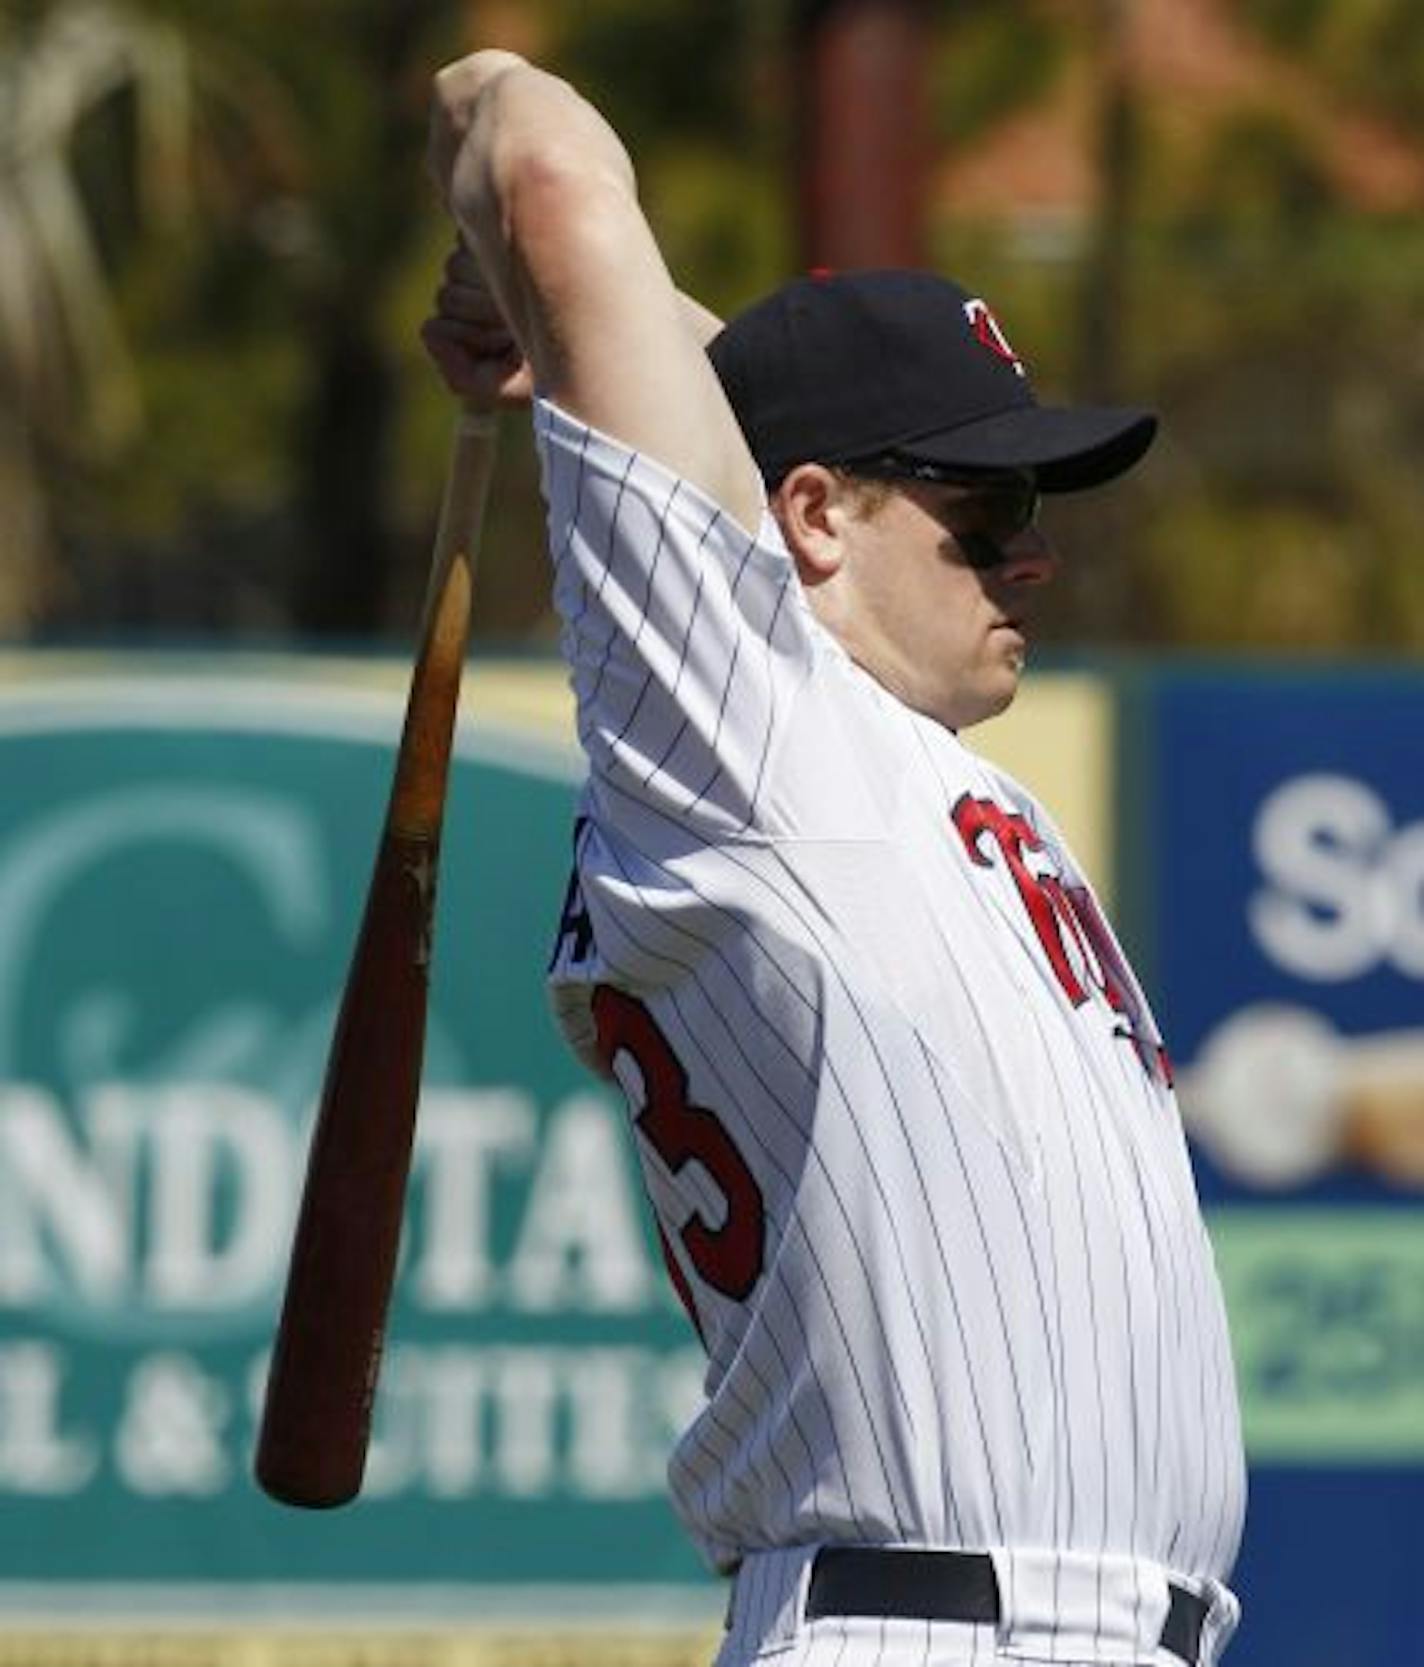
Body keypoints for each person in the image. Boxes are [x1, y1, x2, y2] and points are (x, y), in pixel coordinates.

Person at [423, 48, 1246, 1667]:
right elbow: (517, 132)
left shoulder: (883, 769)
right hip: (925, 1628)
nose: (1032, 548)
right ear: (810, 519)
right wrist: (506, 236)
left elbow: (741, 413)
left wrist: (626, 333)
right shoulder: (743, 741)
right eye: (984, 502)